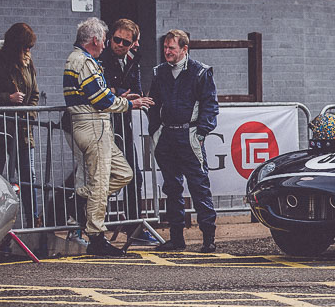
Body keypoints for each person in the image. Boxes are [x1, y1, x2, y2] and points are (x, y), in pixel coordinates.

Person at [63, 17, 153, 256]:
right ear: (95, 39)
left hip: (97, 126)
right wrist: (128, 103)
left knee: (124, 173)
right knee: (100, 182)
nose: (106, 45)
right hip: (92, 126)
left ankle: (80, 200)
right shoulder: (84, 61)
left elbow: (103, 94)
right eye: (105, 39)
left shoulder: (81, 59)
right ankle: (96, 236)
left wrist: (118, 97)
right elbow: (101, 98)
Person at [147, 29, 219, 253]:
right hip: (167, 135)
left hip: (189, 135)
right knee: (172, 188)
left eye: (171, 48)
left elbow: (210, 105)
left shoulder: (201, 72)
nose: (167, 51)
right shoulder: (160, 72)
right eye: (165, 48)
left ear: (184, 49)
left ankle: (208, 239)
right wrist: (156, 131)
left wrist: (201, 133)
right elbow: (153, 103)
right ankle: (176, 238)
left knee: (199, 186)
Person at [0, 22, 40, 227]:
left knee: (28, 178)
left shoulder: (28, 61)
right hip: (0, 130)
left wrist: (29, 113)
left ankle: (33, 222)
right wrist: (8, 98)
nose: (28, 50)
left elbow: (35, 93)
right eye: (25, 46)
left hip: (23, 130)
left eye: (30, 47)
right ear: (16, 45)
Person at [99, 18, 156, 243]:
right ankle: (89, 226)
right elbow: (102, 89)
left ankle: (134, 229)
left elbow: (137, 90)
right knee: (97, 176)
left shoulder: (133, 59)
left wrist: (121, 93)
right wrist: (117, 92)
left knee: (134, 176)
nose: (120, 45)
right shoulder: (101, 56)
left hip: (122, 123)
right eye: (117, 39)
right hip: (101, 124)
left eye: (125, 42)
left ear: (133, 43)